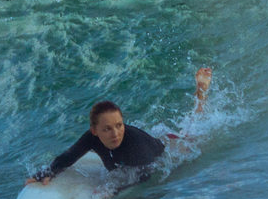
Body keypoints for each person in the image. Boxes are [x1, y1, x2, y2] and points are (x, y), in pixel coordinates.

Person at [27, 68, 211, 185]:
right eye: (107, 129)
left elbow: (144, 178)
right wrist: (48, 172)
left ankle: (201, 96)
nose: (115, 133)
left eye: (119, 125)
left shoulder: (135, 146)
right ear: (95, 131)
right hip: (151, 143)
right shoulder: (91, 138)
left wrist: (110, 191)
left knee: (192, 136)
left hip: (171, 152)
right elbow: (69, 156)